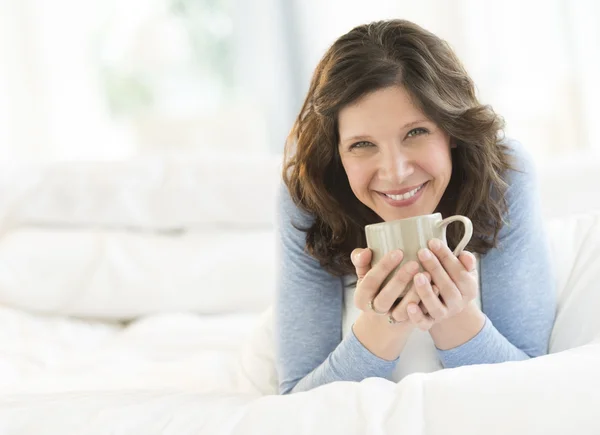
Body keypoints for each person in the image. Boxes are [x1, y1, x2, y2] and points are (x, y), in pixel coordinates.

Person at [275, 19, 556, 395]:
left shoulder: (503, 174)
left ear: (452, 131)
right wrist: (382, 324)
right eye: (362, 144)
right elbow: (296, 401)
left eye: (416, 132)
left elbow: (538, 388)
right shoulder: (309, 195)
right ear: (337, 153)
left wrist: (454, 319)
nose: (396, 172)